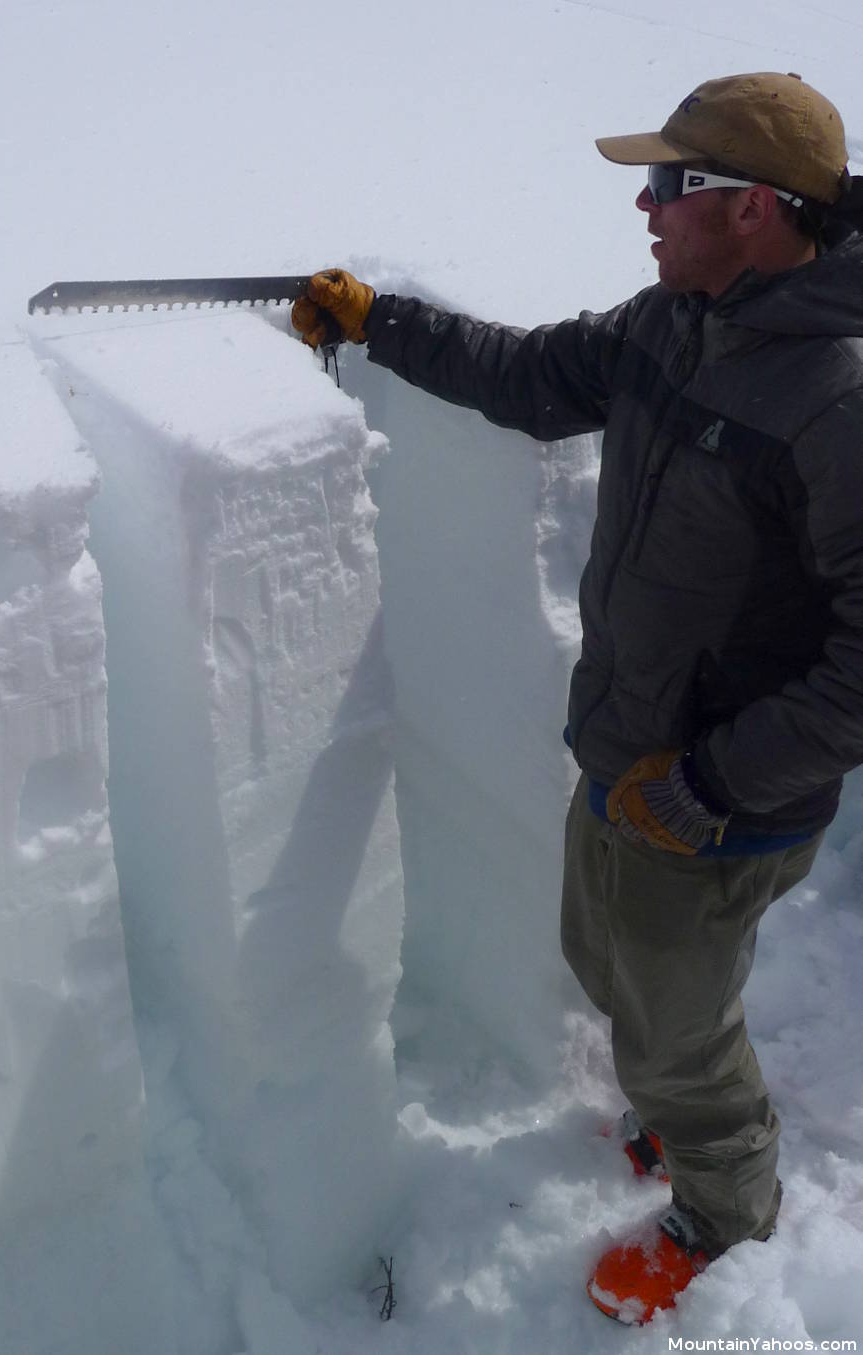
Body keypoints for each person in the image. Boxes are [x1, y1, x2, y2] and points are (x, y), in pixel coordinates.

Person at [293, 71, 863, 1324]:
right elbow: (534, 374)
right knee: (601, 958)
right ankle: (676, 1105)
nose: (645, 210)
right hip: (621, 753)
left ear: (754, 209)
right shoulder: (676, 322)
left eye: (668, 186)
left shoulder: (834, 394)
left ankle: (728, 1207)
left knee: (674, 1031)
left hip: (719, 800)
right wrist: (373, 321)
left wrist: (707, 782)